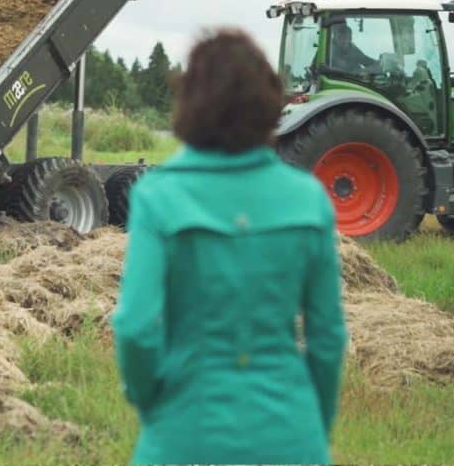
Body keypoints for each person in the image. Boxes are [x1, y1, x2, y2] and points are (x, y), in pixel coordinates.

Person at [112, 28, 348, 465]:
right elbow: (328, 337)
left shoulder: (159, 197)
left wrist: (155, 405)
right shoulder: (308, 200)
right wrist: (313, 423)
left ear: (189, 106)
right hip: (291, 436)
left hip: (182, 434)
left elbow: (135, 327)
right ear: (269, 105)